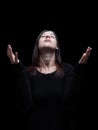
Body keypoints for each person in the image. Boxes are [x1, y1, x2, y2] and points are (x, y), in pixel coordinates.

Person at [7, 29, 92, 130]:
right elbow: (24, 106)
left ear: (57, 46)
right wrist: (19, 69)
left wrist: (78, 71)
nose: (47, 37)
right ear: (37, 46)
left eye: (52, 36)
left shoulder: (68, 69)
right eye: (43, 36)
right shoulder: (27, 72)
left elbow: (70, 103)